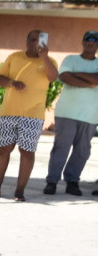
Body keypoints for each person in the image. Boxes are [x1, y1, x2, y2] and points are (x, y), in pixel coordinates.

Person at [0, 30, 59, 202]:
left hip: (33, 116)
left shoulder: (50, 61)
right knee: (2, 150)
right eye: (32, 40)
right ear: (26, 41)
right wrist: (12, 83)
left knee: (27, 152)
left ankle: (20, 192)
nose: (35, 44)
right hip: (8, 112)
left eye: (39, 41)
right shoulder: (14, 57)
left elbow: (53, 78)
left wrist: (44, 57)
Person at [42, 30, 98, 197]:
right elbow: (65, 77)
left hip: (90, 115)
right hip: (67, 112)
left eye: (94, 41)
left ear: (97, 45)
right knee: (61, 147)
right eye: (87, 41)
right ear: (82, 42)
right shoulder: (70, 59)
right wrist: (90, 81)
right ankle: (52, 181)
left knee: (82, 151)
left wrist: (78, 75)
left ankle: (72, 181)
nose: (90, 44)